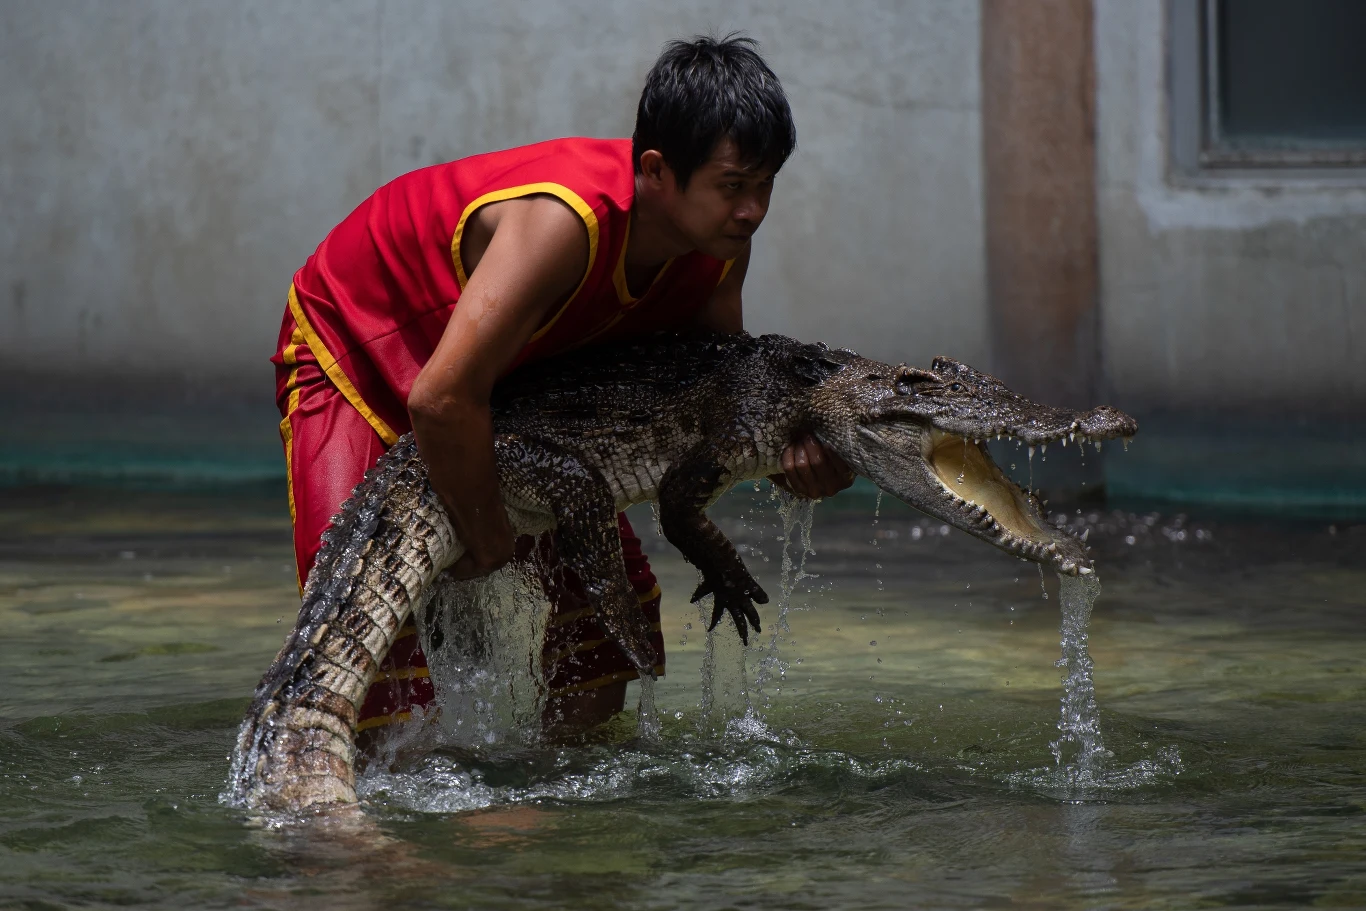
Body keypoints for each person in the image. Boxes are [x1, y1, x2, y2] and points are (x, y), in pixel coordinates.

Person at [270, 35, 854, 742]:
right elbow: (441, 398)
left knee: (606, 649)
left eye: (766, 185)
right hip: (360, 344)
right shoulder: (564, 223)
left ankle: (543, 813)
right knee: (359, 648)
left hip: (498, 390)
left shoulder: (718, 245)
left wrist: (801, 471)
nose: (754, 210)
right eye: (733, 186)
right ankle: (370, 839)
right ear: (657, 171)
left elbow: (715, 417)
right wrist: (488, 543)